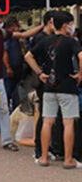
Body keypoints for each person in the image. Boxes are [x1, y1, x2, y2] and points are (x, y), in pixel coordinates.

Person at [0, 8, 42, 151]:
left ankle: (6, 140)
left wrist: (41, 26)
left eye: (0, 18)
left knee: (4, 109)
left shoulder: (2, 34)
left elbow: (23, 34)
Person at [25, 11, 82, 168]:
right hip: (67, 87)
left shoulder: (45, 41)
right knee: (68, 123)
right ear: (64, 26)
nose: (72, 27)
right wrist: (80, 74)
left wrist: (39, 73)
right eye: (70, 24)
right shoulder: (71, 42)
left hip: (49, 87)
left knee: (47, 121)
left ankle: (43, 157)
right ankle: (68, 159)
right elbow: (81, 56)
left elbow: (28, 56)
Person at [31, 10, 57, 160]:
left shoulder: (51, 38)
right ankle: (39, 148)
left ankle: (48, 146)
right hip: (43, 81)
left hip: (50, 80)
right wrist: (40, 72)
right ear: (50, 22)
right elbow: (31, 57)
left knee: (50, 115)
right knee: (44, 115)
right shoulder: (41, 39)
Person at [3, 16, 24, 112]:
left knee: (15, 93)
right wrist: (8, 67)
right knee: (8, 92)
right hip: (10, 70)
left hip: (17, 69)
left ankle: (14, 111)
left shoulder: (16, 38)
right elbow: (5, 52)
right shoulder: (8, 37)